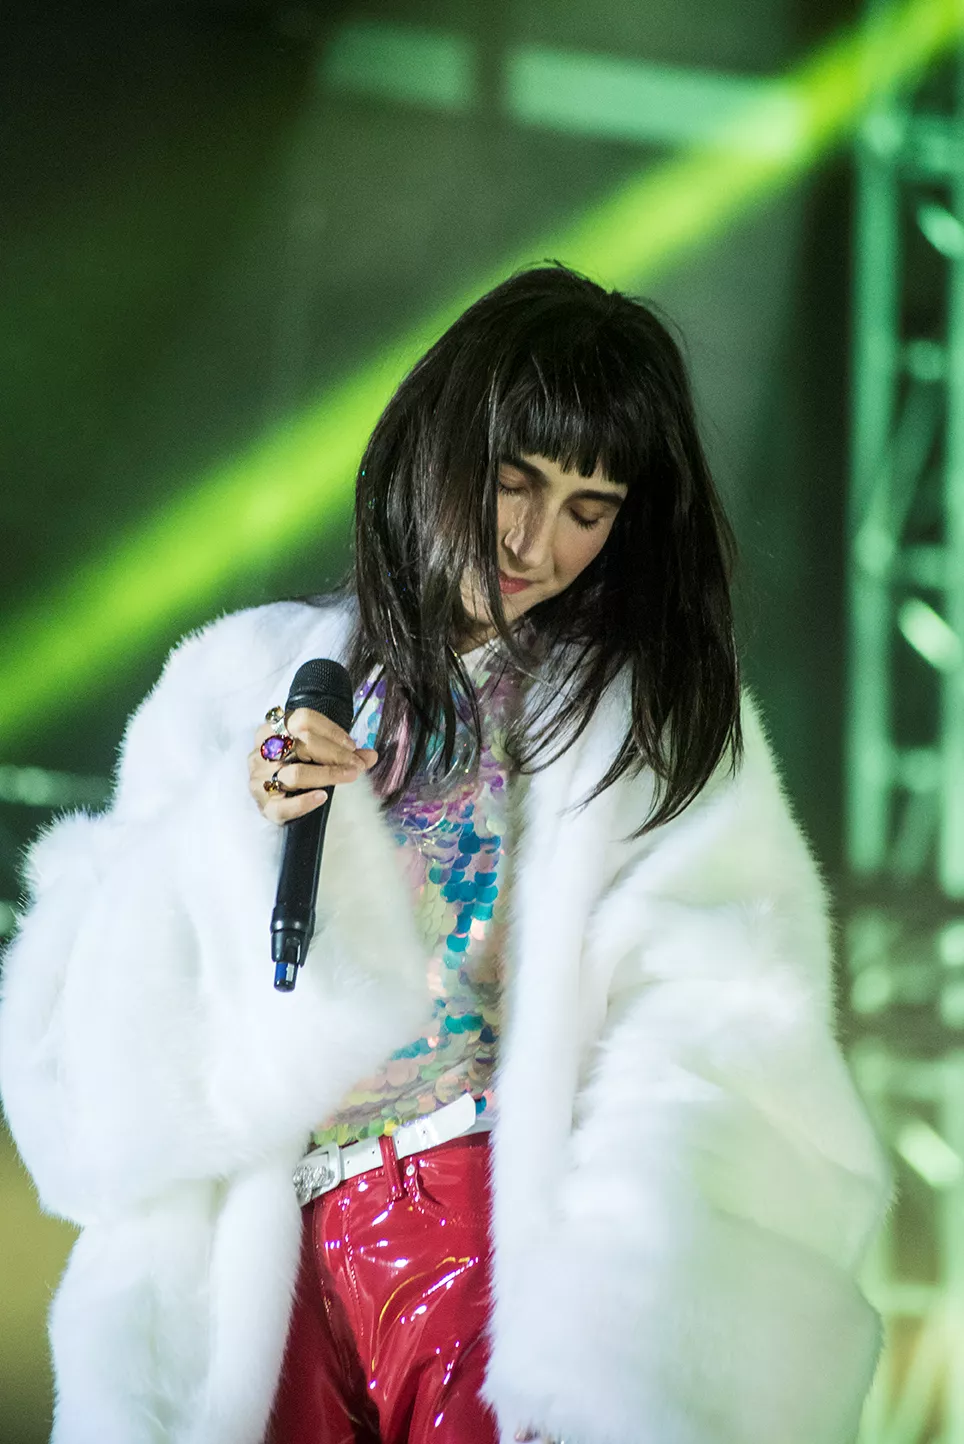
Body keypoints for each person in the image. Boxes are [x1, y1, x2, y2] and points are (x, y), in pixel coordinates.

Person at [0, 262, 890, 1444]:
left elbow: (721, 1023)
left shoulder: (641, 723)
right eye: (513, 481)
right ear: (438, 447)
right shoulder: (244, 682)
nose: (536, 539)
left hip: (484, 1241)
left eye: (588, 507)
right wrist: (233, 826)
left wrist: (612, 1310)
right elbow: (79, 1068)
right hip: (247, 1281)